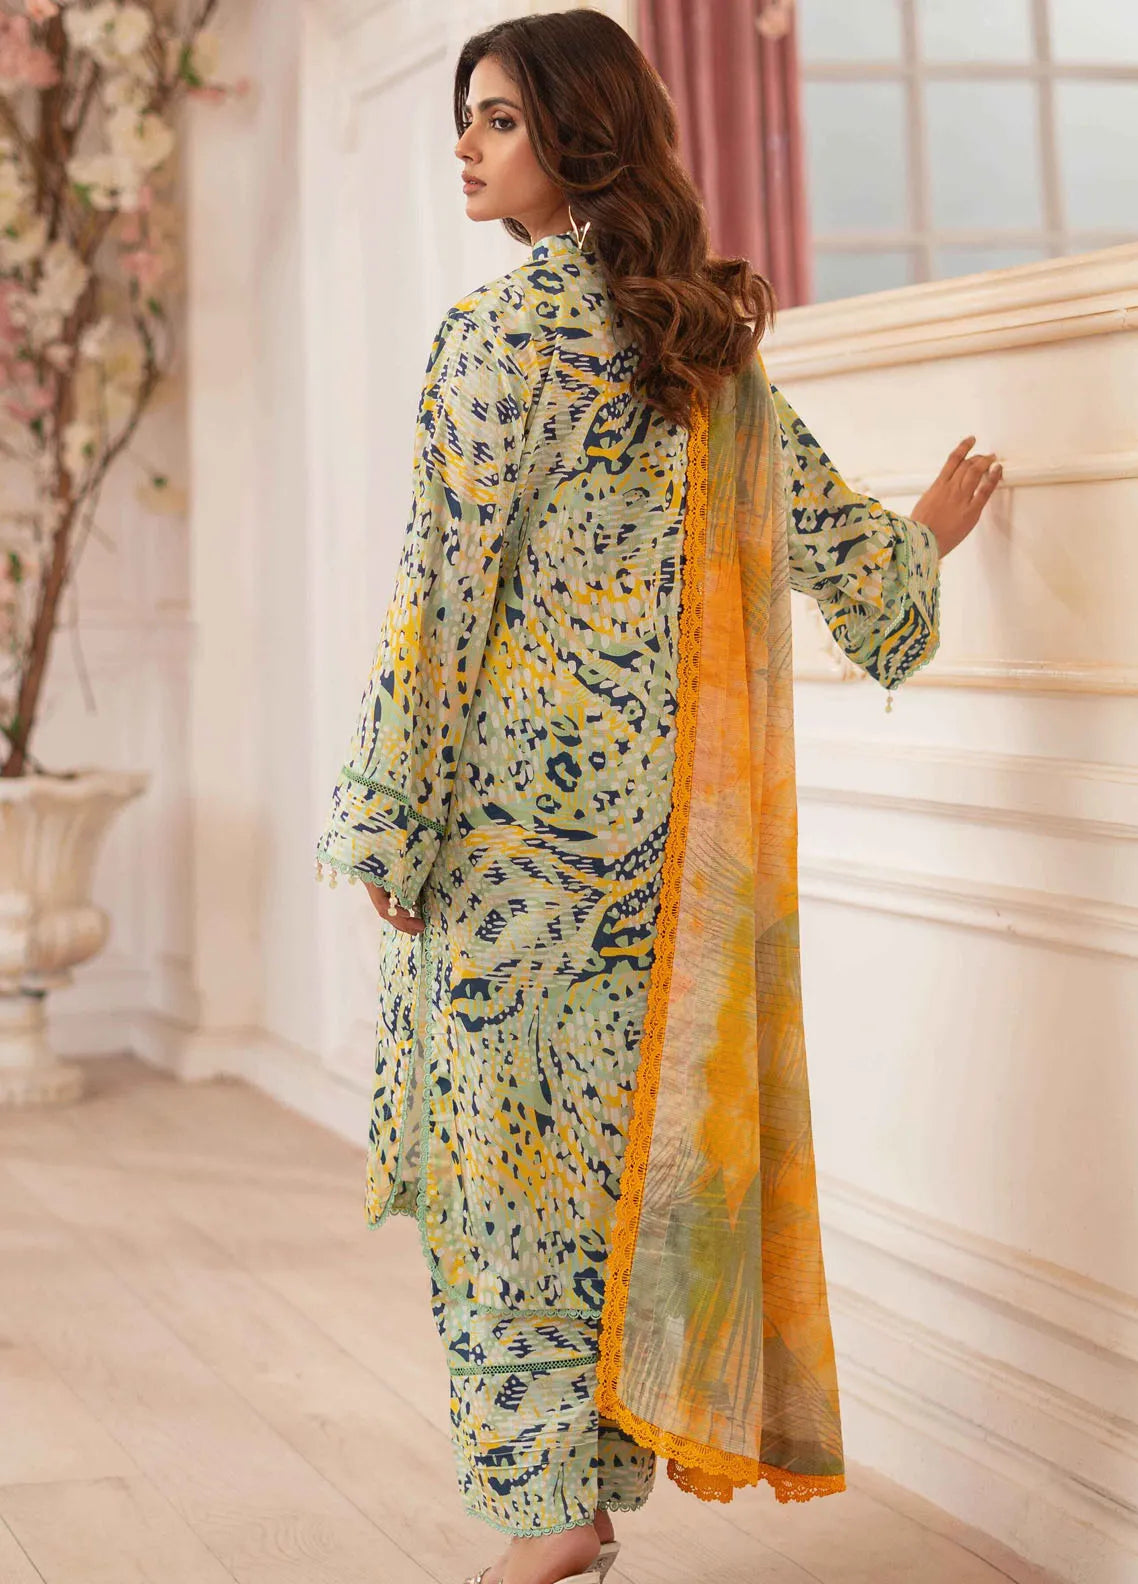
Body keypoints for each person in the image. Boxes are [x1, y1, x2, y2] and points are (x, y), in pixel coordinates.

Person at [314, 12, 1002, 1584]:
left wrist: (391, 820)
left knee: (503, 1187)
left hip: (511, 851)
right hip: (666, 864)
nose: (465, 146)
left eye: (497, 118)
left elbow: (440, 601)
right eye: (465, 116)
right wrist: (924, 539)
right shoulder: (703, 348)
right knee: (613, 1190)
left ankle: (553, 1518)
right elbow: (836, 547)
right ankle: (577, 1504)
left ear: (580, 135)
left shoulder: (494, 341)